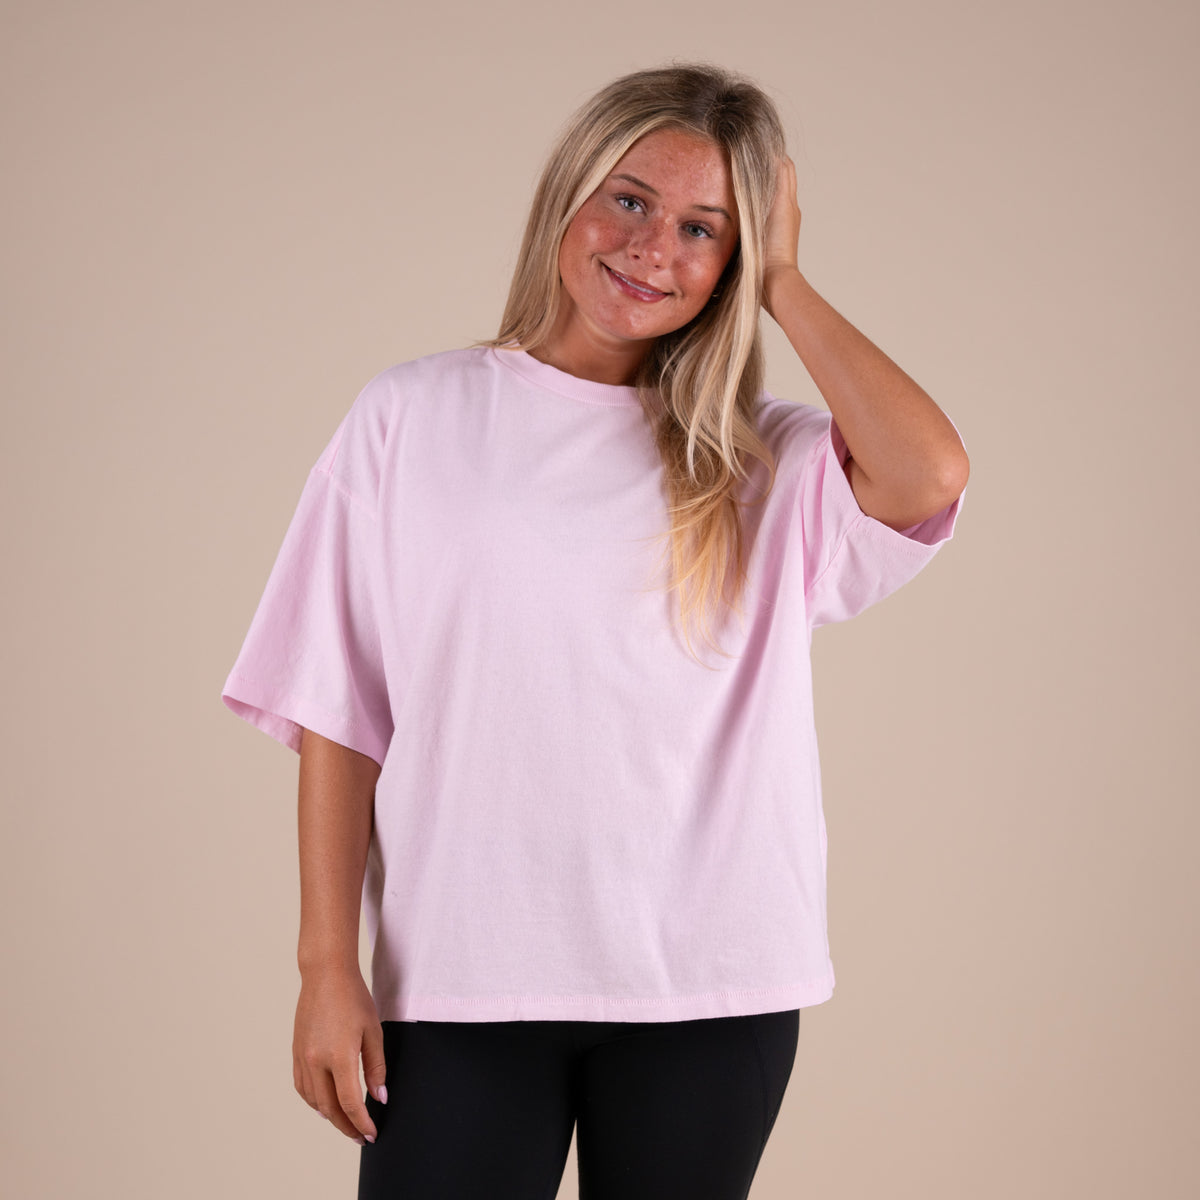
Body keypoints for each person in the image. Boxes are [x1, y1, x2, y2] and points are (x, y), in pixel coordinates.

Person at [222, 62, 968, 1199]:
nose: (652, 248)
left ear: (735, 259)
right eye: (629, 199)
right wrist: (328, 964)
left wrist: (787, 282)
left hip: (711, 988)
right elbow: (340, 706)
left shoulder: (764, 460)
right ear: (569, 194)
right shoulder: (412, 417)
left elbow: (930, 473)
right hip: (463, 978)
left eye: (703, 228)